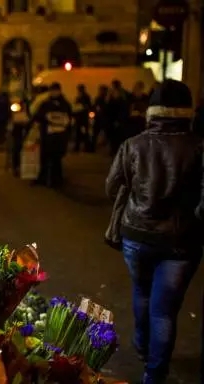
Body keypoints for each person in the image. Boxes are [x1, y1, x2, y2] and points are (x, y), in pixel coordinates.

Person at [106, 80, 202, 384]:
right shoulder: (199, 146)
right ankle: (154, 373)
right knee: (165, 310)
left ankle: (143, 346)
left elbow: (112, 187)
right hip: (181, 243)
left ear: (152, 111)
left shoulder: (133, 144)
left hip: (136, 234)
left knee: (141, 291)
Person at [31, 82, 72, 188]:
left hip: (59, 136)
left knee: (56, 159)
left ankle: (56, 180)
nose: (53, 93)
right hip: (48, 136)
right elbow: (38, 116)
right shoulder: (46, 104)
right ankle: (44, 179)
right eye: (52, 91)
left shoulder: (65, 104)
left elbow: (69, 119)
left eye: (55, 90)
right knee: (44, 157)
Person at [106, 79, 130, 156]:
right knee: (114, 139)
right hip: (113, 121)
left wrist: (118, 120)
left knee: (117, 138)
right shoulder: (113, 97)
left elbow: (122, 111)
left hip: (118, 122)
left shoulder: (121, 99)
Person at [89, 85, 109, 152]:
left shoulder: (105, 99)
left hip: (102, 119)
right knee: (95, 134)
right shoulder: (100, 99)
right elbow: (94, 108)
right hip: (99, 119)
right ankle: (93, 147)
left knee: (97, 134)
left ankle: (94, 147)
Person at [72, 84, 92, 152]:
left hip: (82, 118)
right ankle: (83, 147)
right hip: (81, 118)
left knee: (83, 133)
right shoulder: (82, 96)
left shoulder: (84, 97)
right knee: (81, 133)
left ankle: (84, 147)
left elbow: (87, 106)